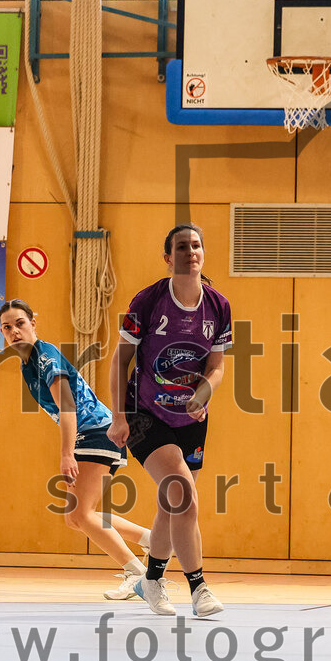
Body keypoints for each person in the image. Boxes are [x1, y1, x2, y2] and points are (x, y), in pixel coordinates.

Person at [108, 223, 231, 618]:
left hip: (191, 418)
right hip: (145, 414)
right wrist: (118, 416)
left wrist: (204, 392)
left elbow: (216, 366)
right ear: (167, 257)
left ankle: (153, 579)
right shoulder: (147, 302)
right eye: (181, 246)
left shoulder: (218, 306)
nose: (190, 251)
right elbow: (119, 360)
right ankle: (199, 587)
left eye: (196, 245)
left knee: (171, 503)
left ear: (203, 253)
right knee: (184, 496)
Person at [0, 298, 152, 600]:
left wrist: (66, 453)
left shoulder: (45, 357)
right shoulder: (27, 364)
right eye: (7, 327)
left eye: (20, 323)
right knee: (77, 516)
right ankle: (152, 539)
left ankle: (139, 575)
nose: (14, 331)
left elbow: (67, 406)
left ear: (33, 323)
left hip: (95, 431)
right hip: (93, 434)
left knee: (81, 514)